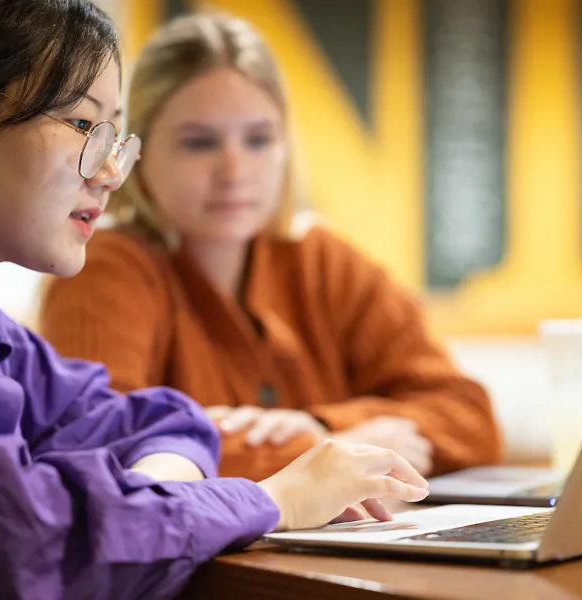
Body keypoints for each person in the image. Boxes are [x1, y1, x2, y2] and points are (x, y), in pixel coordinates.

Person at [0, 1, 430, 598]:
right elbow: (20, 548)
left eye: (112, 135)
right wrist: (269, 500)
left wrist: (145, 503)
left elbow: (159, 422)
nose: (109, 171)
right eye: (82, 125)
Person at [39, 12, 503, 483]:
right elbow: (99, 450)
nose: (235, 171)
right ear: (139, 156)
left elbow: (471, 420)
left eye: (259, 139)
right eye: (199, 143)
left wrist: (324, 425)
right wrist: (329, 449)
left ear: (286, 147)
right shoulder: (103, 265)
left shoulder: (324, 261)